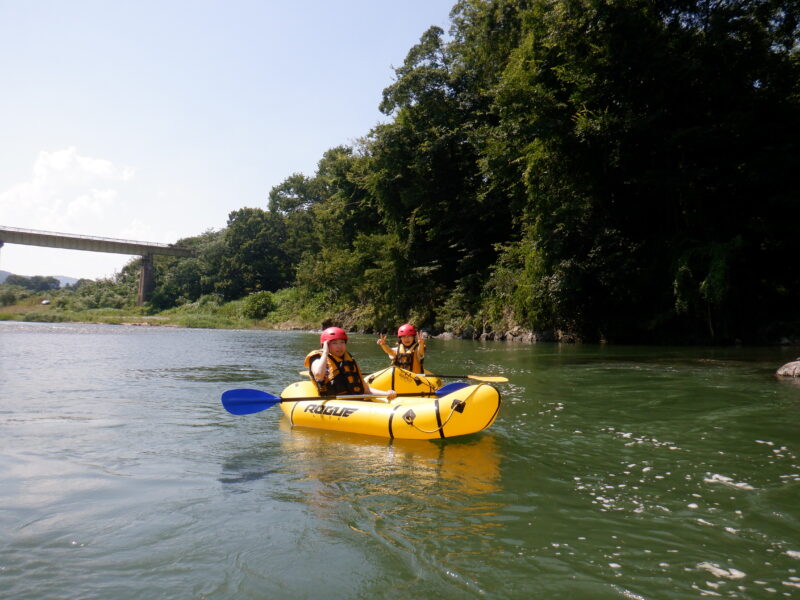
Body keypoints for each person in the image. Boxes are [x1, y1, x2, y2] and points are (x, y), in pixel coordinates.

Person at [305, 327, 397, 400]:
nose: (339, 346)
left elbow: (366, 390)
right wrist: (325, 353)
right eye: (334, 343)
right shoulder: (317, 358)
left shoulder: (348, 359)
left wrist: (386, 393)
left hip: (354, 403)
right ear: (326, 345)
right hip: (333, 403)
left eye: (342, 342)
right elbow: (318, 375)